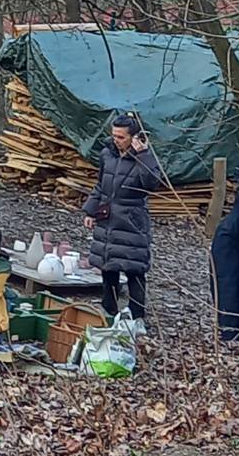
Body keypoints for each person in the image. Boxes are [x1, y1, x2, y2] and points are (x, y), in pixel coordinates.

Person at [82, 113, 163, 325]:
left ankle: (137, 316)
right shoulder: (107, 154)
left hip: (132, 220)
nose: (116, 140)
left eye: (121, 137)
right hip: (108, 218)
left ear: (133, 137)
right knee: (108, 266)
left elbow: (152, 183)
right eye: (114, 135)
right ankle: (109, 310)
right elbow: (101, 185)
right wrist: (91, 210)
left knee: (134, 269)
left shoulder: (145, 157)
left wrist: (142, 155)